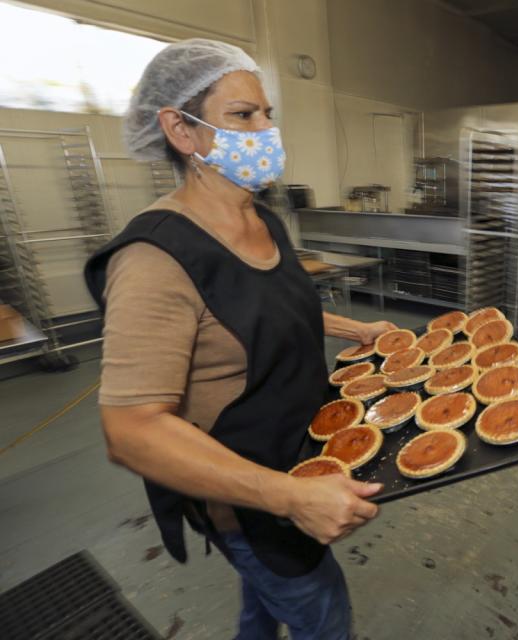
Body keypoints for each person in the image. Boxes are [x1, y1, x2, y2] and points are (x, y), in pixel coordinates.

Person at [84, 39, 395, 638]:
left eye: (267, 114)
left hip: (301, 456)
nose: (266, 130)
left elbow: (267, 306)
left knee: (261, 604)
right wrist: (285, 497)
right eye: (242, 116)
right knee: (322, 615)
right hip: (251, 496)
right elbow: (130, 431)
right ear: (181, 129)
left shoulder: (262, 219)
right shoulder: (156, 257)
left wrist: (360, 328)